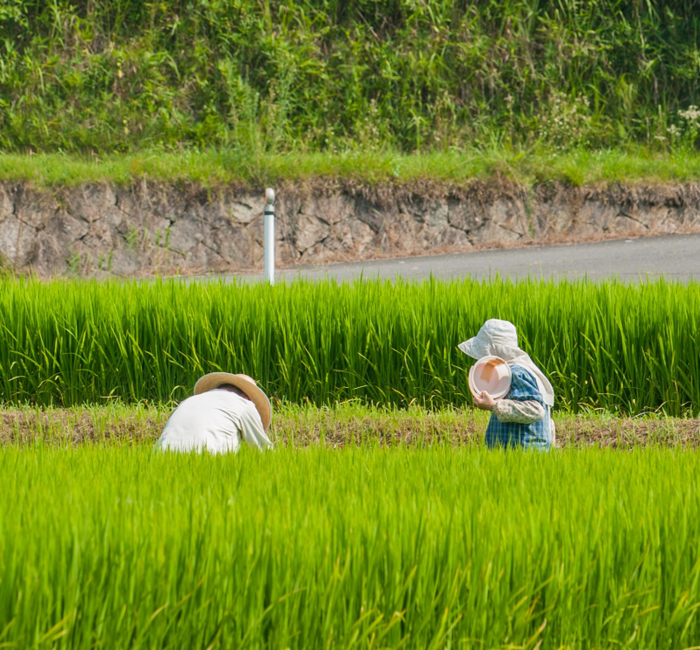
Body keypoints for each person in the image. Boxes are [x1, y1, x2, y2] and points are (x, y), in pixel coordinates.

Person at [459, 319, 555, 450]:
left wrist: (494, 405)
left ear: (494, 350)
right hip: (507, 455)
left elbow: (535, 410)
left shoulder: (516, 373)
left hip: (524, 455)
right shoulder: (504, 373)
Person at [154, 372, 273, 453]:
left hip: (160, 457)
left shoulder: (187, 401)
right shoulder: (244, 404)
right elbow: (263, 450)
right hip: (205, 459)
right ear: (246, 396)